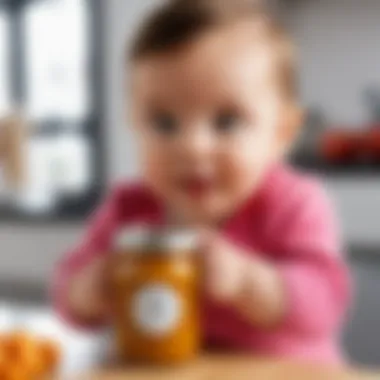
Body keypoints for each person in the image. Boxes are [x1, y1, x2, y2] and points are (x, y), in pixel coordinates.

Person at [52, 0, 350, 364]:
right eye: (164, 124)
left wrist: (249, 282)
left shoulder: (295, 204)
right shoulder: (128, 209)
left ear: (281, 133)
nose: (193, 148)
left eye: (226, 122)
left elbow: (324, 303)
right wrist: (90, 289)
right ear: (134, 125)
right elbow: (66, 293)